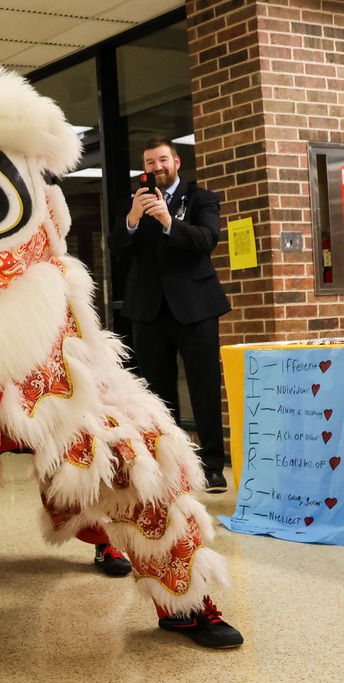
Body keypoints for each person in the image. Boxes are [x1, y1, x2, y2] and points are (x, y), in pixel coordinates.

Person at [109, 136, 232, 494]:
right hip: (148, 311)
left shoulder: (201, 199)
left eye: (163, 159)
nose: (156, 167)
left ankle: (212, 467)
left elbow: (206, 240)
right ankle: (172, 466)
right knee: (159, 396)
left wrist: (167, 221)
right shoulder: (136, 202)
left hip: (196, 310)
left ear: (176, 162)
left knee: (204, 389)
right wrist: (133, 218)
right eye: (149, 162)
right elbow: (117, 247)